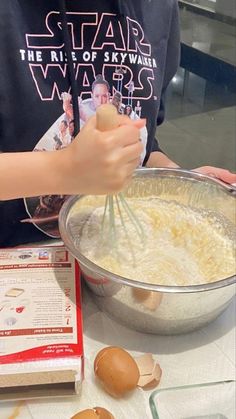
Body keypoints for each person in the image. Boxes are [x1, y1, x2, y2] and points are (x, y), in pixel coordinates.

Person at [0, 0, 235, 247]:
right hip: (21, 253)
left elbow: (144, 145)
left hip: (117, 244)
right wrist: (63, 168)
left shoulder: (159, 9)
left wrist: (179, 183)